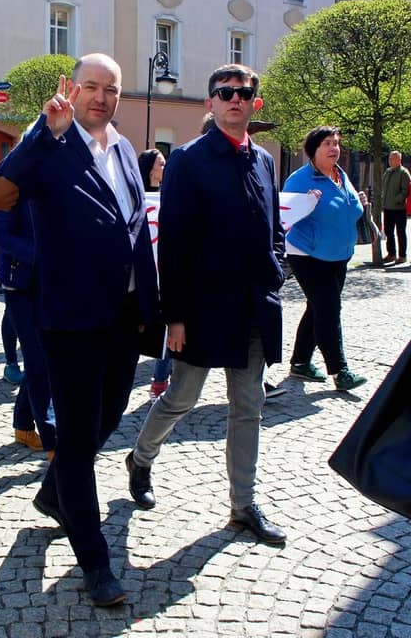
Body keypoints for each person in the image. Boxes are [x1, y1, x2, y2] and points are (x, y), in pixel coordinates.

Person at [0, 53, 160, 607]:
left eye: (112, 89)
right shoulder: (49, 146)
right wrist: (44, 131)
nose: (101, 97)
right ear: (73, 89)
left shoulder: (125, 148)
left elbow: (136, 228)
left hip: (123, 314)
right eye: (91, 86)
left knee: (109, 416)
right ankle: (95, 561)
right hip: (70, 316)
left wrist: (150, 304)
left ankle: (52, 492)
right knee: (79, 439)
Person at [125, 64, 288, 546]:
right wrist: (174, 316)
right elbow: (173, 242)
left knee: (249, 405)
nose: (235, 99)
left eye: (244, 92)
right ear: (210, 102)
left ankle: (243, 504)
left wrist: (276, 267)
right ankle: (141, 458)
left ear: (255, 102)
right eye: (225, 92)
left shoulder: (264, 160)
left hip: (254, 304)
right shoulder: (188, 160)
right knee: (181, 396)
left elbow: (274, 227)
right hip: (202, 307)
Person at [282, 126, 369, 392]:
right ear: (313, 149)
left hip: (338, 255)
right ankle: (340, 371)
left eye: (336, 143)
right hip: (308, 254)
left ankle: (300, 363)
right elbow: (285, 216)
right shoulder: (300, 180)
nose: (334, 148)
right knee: (329, 310)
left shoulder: (340, 175)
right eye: (327, 144)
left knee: (317, 307)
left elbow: (347, 208)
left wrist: (359, 202)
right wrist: (304, 204)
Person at [0, 197, 56, 455]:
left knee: (45, 358)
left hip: (53, 282)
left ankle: (23, 424)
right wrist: (43, 254)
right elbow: (3, 236)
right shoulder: (10, 179)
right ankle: (53, 439)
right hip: (20, 284)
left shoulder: (60, 178)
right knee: (38, 360)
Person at [137, 148, 172, 399]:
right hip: (142, 274)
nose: (164, 167)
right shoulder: (139, 197)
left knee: (167, 327)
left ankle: (161, 380)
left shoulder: (168, 195)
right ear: (150, 168)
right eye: (161, 163)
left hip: (164, 273)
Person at [380, 150, 411, 264]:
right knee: (388, 232)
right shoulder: (388, 172)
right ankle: (391, 254)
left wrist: (397, 200)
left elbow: (406, 190)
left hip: (399, 208)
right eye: (389, 158)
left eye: (393, 159)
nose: (390, 161)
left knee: (400, 232)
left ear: (399, 160)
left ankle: (402, 255)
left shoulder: (403, 173)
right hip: (388, 207)